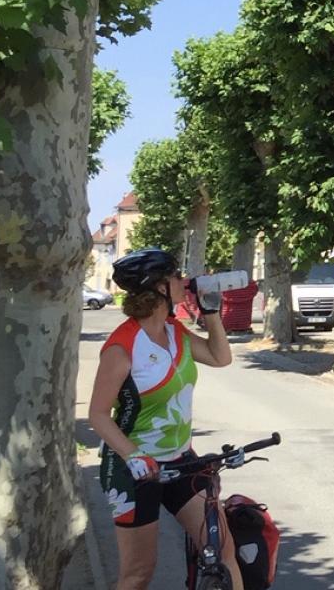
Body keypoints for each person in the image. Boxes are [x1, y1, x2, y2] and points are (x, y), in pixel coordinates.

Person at [88, 247, 242, 590]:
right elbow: (97, 414)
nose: (183, 281)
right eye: (176, 276)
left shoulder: (176, 332)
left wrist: (211, 312)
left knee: (221, 549)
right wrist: (134, 455)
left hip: (180, 459)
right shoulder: (122, 347)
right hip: (132, 469)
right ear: (159, 287)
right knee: (138, 573)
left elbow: (220, 358)